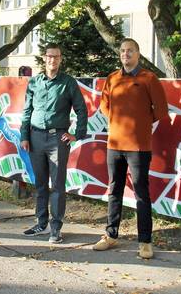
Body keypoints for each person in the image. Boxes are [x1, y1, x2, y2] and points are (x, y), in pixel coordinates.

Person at [93, 38, 168, 259]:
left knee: (141, 193)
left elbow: (161, 110)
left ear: (138, 54)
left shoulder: (149, 78)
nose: (126, 54)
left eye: (130, 51)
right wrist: (117, 120)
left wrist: (141, 122)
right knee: (114, 190)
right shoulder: (112, 78)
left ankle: (145, 241)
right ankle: (111, 235)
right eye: (123, 51)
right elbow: (104, 105)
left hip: (139, 146)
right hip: (114, 145)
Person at [20, 43, 88, 244]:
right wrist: (24, 136)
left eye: (56, 57)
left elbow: (81, 109)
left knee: (57, 185)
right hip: (35, 138)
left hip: (57, 139)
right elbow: (26, 111)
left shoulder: (68, 83)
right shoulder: (34, 83)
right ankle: (41, 223)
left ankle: (55, 228)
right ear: (44, 58)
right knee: (40, 184)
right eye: (49, 56)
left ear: (60, 59)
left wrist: (77, 134)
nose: (52, 60)